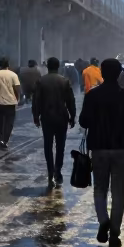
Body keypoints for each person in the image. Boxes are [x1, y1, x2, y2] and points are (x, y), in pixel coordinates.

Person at [79, 58, 124, 247]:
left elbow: (83, 122)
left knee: (100, 188)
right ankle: (115, 233)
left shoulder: (92, 95)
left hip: (99, 148)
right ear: (120, 74)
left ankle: (103, 221)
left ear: (102, 72)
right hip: (121, 149)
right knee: (118, 192)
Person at [33, 57, 76, 187]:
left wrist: (36, 116)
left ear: (48, 67)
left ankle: (50, 172)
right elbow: (70, 101)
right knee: (60, 146)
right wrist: (72, 116)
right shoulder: (64, 81)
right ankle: (58, 170)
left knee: (48, 145)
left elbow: (36, 100)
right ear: (58, 67)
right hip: (61, 117)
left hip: (46, 117)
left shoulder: (41, 81)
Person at [0, 58, 21, 149]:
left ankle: (1, 137)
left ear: (0, 65)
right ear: (8, 64)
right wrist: (18, 98)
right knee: (9, 122)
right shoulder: (13, 75)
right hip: (10, 102)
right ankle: (5, 140)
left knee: (0, 121)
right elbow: (17, 88)